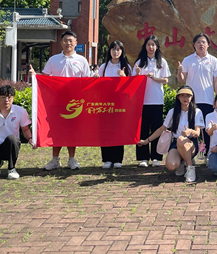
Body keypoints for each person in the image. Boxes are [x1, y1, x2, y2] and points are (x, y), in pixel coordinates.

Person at [29, 30, 91, 170]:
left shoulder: (82, 60)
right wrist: (34, 75)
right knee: (56, 130)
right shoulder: (53, 60)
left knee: (71, 130)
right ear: (61, 43)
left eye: (71, 41)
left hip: (74, 102)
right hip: (56, 101)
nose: (68, 43)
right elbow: (45, 79)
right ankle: (55, 159)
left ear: (76, 43)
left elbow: (86, 81)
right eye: (65, 40)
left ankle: (72, 159)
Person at [137, 86, 204, 183]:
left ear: (192, 97)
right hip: (176, 143)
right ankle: (181, 162)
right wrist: (146, 141)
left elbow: (197, 133)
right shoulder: (172, 112)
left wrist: (191, 131)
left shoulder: (197, 112)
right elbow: (161, 129)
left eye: (188, 96)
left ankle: (190, 168)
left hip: (191, 143)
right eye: (182, 95)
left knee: (181, 139)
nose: (185, 98)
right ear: (178, 97)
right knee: (171, 165)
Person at [177, 33, 217, 152]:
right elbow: (181, 79)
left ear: (208, 45)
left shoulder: (213, 60)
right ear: (194, 45)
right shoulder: (188, 60)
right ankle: (190, 153)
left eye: (203, 42)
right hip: (191, 100)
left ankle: (208, 154)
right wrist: (179, 71)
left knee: (207, 129)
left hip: (207, 100)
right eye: (198, 42)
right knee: (191, 128)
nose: (201, 44)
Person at [132, 35, 171, 167]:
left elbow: (166, 80)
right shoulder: (140, 62)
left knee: (156, 128)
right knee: (142, 129)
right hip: (142, 101)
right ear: (145, 47)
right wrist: (137, 74)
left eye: (153, 45)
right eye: (148, 44)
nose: (150, 47)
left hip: (157, 100)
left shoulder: (161, 61)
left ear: (157, 47)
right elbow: (133, 81)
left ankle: (156, 156)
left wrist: (154, 78)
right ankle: (143, 158)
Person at [97, 40, 132, 169]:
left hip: (120, 103)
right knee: (106, 130)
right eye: (113, 49)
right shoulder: (103, 67)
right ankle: (107, 159)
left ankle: (118, 159)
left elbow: (132, 86)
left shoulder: (126, 67)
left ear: (122, 51)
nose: (115, 52)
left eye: (118, 49)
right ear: (109, 51)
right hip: (105, 102)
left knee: (118, 130)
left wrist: (124, 77)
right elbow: (98, 84)